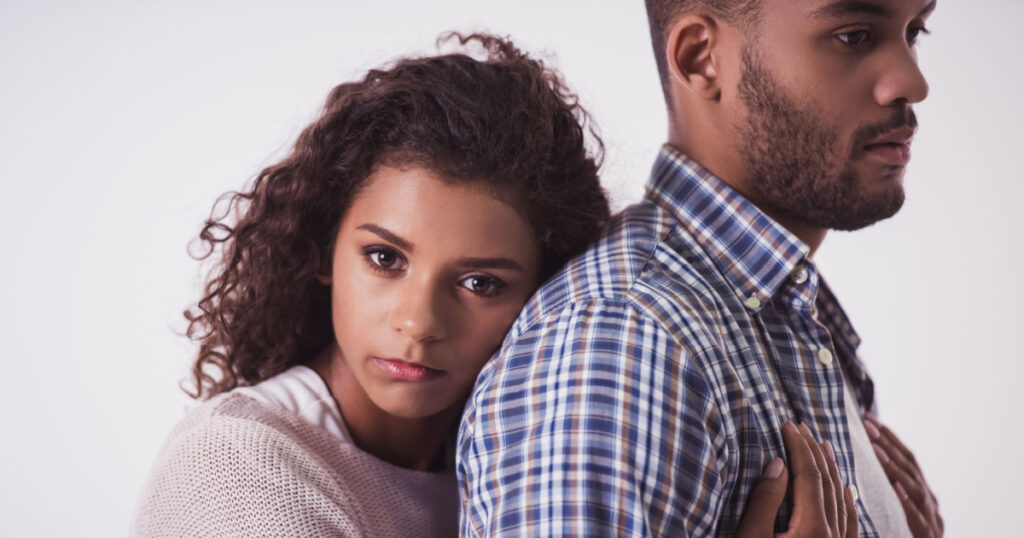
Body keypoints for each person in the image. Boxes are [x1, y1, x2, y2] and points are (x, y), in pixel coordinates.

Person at [458, 1, 944, 537]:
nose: (911, 82)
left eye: (913, 31)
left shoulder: (787, 307)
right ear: (701, 59)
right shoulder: (624, 341)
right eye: (854, 36)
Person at [130, 33, 611, 537]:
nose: (418, 323)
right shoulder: (236, 468)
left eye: (479, 282)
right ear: (323, 248)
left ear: (542, 293)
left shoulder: (511, 462)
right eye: (385, 258)